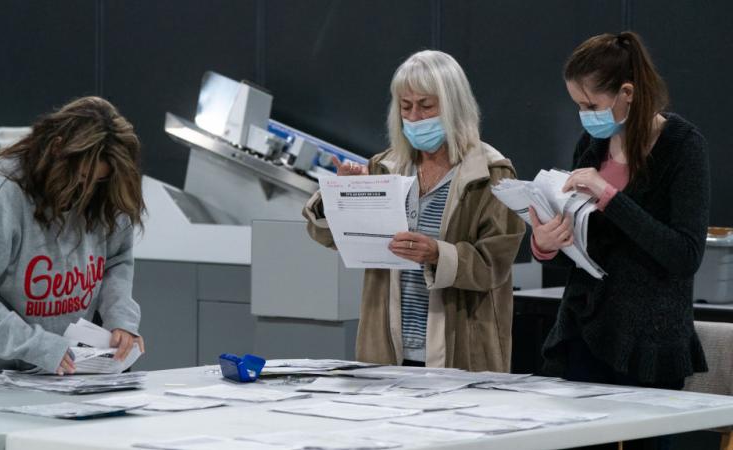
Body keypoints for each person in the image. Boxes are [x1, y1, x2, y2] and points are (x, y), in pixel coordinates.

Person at [531, 31, 708, 448]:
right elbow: (583, 247)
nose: (584, 115)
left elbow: (684, 254)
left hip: (650, 343)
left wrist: (611, 198)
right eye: (578, 105)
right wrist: (546, 243)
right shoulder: (592, 145)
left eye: (590, 105)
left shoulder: (683, 147)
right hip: (585, 332)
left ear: (627, 93)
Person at [303, 50, 525, 369]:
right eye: (406, 107)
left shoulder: (490, 174)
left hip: (461, 350)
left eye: (426, 105)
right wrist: (342, 195)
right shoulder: (384, 168)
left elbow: (495, 265)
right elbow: (326, 235)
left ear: (453, 106)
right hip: (386, 349)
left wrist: (439, 254)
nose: (415, 117)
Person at [0, 96, 146, 390]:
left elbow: (116, 259)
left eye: (98, 182)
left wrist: (120, 319)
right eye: (82, 178)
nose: (86, 192)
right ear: (57, 148)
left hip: (44, 376)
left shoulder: (105, 193)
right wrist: (35, 345)